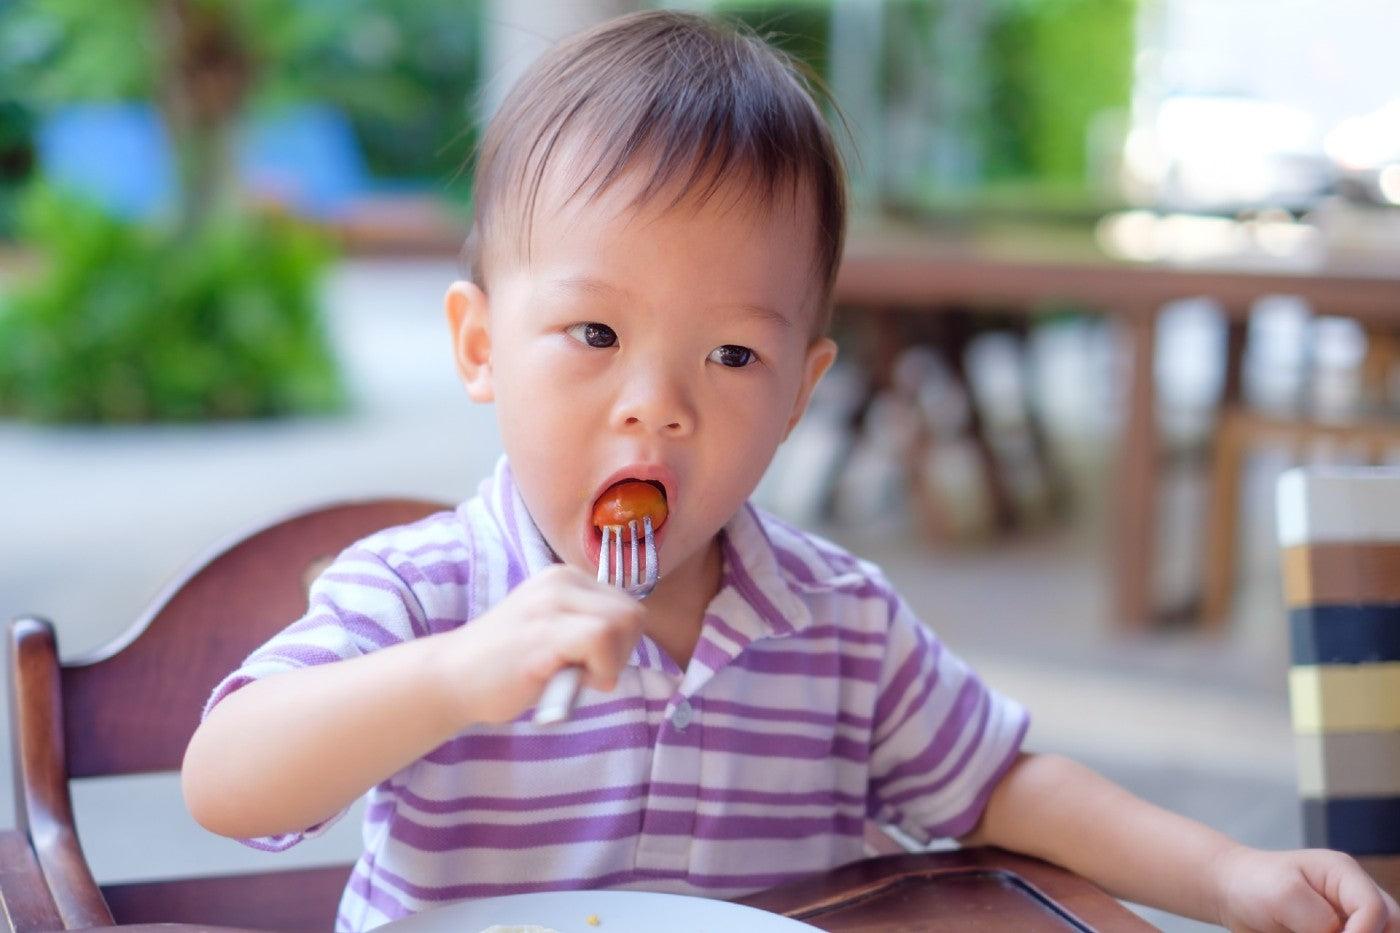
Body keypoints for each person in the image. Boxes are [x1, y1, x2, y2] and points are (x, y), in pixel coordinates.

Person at [181, 11, 1399, 932]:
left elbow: (1003, 786)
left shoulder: (838, 626)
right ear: (480, 347)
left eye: (730, 355)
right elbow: (228, 781)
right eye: (594, 333)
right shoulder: (421, 596)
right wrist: (451, 679)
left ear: (800, 394)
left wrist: (1229, 877)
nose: (656, 404)